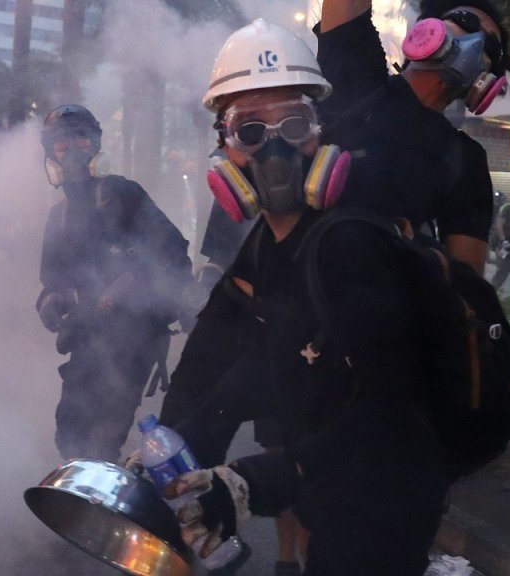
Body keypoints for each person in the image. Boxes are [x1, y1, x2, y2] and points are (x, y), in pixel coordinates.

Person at [158, 20, 447, 576]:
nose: (275, 149)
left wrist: (261, 478)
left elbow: (391, 407)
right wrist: (174, 449)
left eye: (294, 124)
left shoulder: (352, 243)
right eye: (250, 130)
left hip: (387, 506)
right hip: (334, 495)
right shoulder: (266, 247)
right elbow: (223, 360)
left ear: (320, 134)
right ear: (224, 146)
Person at [316, 0, 510, 275]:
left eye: (491, 46)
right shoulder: (359, 79)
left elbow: (468, 284)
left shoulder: (465, 158)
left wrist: (423, 258)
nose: (477, 40)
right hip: (299, 281)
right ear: (427, 28)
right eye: (466, 21)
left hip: (375, 296)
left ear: (485, 81)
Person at [36, 104, 192, 463]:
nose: (72, 151)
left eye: (81, 140)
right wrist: (50, 299)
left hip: (133, 339)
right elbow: (53, 278)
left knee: (104, 435)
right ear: (51, 153)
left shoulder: (123, 194)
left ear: (95, 144)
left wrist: (128, 285)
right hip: (87, 339)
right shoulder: (58, 216)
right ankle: (83, 494)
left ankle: (103, 494)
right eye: (61, 144)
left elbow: (172, 255)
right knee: (70, 432)